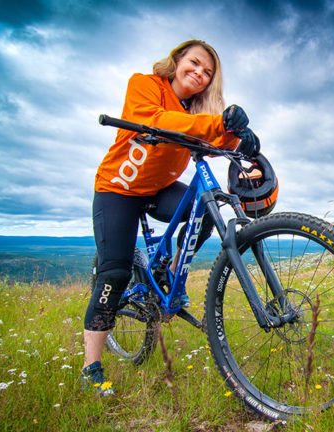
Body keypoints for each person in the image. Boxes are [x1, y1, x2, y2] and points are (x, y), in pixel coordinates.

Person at [81, 40, 260, 395]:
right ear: (177, 61)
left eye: (208, 72)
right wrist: (216, 124)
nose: (200, 74)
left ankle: (174, 269)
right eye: (194, 64)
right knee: (114, 272)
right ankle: (91, 366)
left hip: (157, 189)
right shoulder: (144, 85)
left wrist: (243, 139)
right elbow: (156, 120)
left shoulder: (198, 112)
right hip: (117, 188)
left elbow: (217, 138)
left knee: (206, 204)